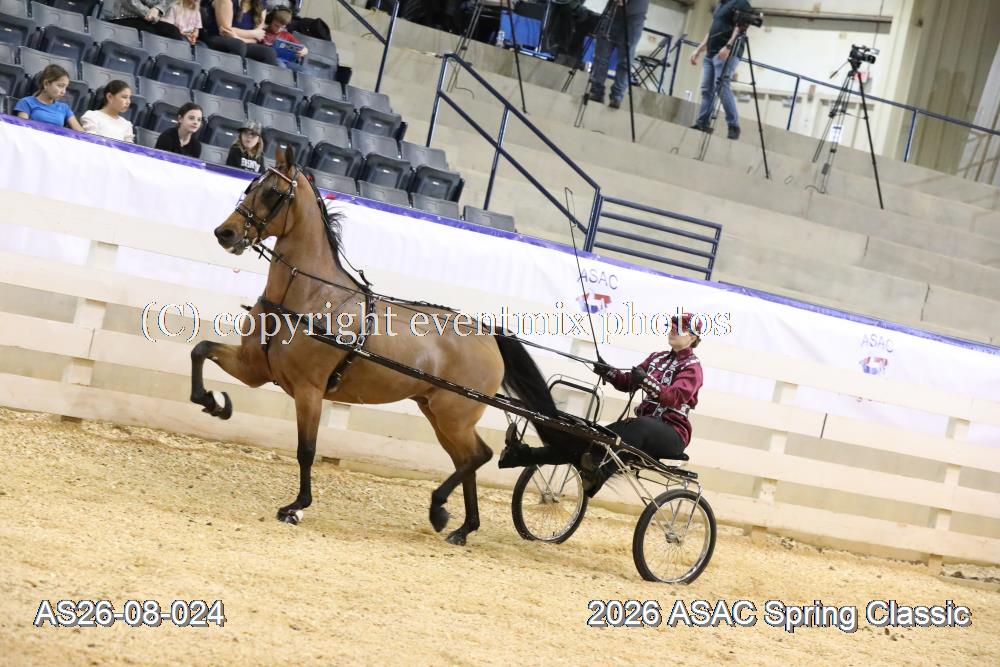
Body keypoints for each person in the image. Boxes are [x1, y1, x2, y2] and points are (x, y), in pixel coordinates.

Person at [498, 312, 704, 498]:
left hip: (672, 434)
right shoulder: (656, 358)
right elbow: (627, 382)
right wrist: (608, 371)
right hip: (641, 428)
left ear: (693, 337)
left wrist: (646, 380)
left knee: (639, 425)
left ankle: (599, 475)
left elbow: (674, 397)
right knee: (589, 439)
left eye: (680, 328)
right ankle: (522, 455)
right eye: (672, 326)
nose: (673, 330)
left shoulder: (693, 368)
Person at [689, 0, 753, 139]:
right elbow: (712, 30)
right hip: (711, 53)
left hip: (726, 52)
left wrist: (728, 46)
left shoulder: (740, 3)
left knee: (722, 86)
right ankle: (702, 123)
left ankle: (733, 125)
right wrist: (698, 49)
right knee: (707, 89)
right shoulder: (720, 5)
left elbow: (740, 27)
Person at [586, 0, 649, 109]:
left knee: (625, 62)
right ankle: (596, 91)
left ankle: (617, 97)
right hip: (612, 15)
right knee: (600, 57)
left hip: (634, 19)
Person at [200, 0, 280, 65]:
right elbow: (225, 31)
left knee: (269, 53)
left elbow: (258, 37)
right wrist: (253, 33)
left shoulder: (261, 4)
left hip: (242, 42)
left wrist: (237, 37)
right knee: (237, 45)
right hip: (215, 36)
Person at [14, 64, 84, 131]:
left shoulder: (65, 108)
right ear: (46, 84)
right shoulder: (26, 102)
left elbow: (81, 133)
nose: (64, 91)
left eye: (65, 87)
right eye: (60, 86)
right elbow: (22, 129)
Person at [103, 0, 185, 40]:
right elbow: (132, 3)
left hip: (144, 19)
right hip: (122, 17)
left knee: (174, 32)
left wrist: (157, 8)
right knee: (151, 34)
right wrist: (151, 14)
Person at [261, 5, 308, 71]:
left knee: (305, 71)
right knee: (281, 65)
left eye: (282, 27)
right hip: (272, 60)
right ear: (270, 20)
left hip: (287, 62)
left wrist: (304, 50)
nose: (278, 29)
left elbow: (302, 47)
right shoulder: (263, 32)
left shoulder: (287, 35)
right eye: (276, 25)